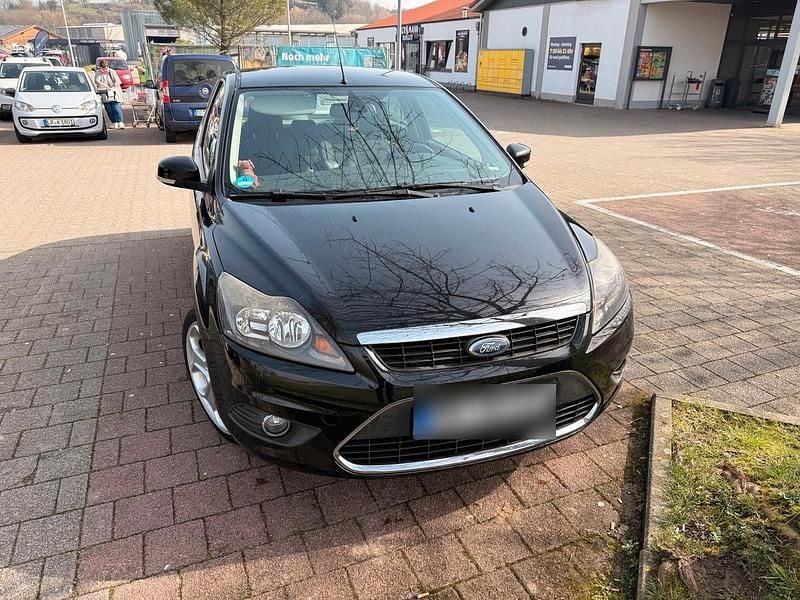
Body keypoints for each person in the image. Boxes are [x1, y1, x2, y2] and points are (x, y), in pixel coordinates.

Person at [95, 60, 125, 129]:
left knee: (116, 108)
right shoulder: (98, 73)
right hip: (105, 94)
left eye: (106, 68)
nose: (105, 70)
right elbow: (97, 81)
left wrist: (113, 87)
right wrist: (106, 87)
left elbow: (118, 81)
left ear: (108, 67)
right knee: (109, 109)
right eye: (103, 69)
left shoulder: (112, 72)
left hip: (114, 93)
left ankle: (120, 122)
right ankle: (114, 122)